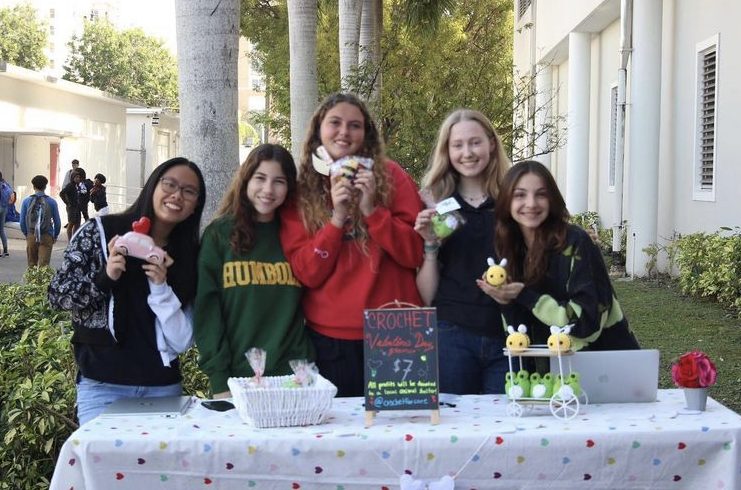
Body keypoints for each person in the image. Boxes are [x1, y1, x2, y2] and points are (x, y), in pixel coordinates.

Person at [280, 93, 424, 397]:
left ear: (366, 133)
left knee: (401, 435)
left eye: (354, 125)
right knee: (338, 439)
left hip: (397, 330)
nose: (344, 132)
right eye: (335, 123)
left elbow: (415, 253)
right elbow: (307, 273)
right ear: (319, 129)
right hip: (331, 338)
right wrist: (338, 219)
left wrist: (373, 211)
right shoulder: (301, 191)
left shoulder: (392, 176)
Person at [47, 157, 206, 425]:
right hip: (102, 388)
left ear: (195, 207)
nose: (177, 195)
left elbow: (182, 340)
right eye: (170, 184)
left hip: (162, 389)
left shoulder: (189, 256)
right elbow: (58, 294)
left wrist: (161, 287)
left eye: (189, 191)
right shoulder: (99, 232)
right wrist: (105, 277)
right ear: (152, 187)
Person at [195, 144, 314, 398]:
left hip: (294, 379)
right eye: (260, 178)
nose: (268, 189)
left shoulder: (300, 236)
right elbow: (206, 312)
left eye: (279, 181)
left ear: (289, 188)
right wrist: (220, 381)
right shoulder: (219, 235)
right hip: (236, 382)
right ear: (246, 179)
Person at [486, 160, 640, 352]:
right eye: (520, 195)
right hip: (546, 370)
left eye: (541, 194)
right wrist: (505, 300)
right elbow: (517, 333)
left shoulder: (576, 242)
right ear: (506, 200)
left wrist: (525, 295)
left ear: (552, 199)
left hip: (605, 364)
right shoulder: (506, 247)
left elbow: (586, 322)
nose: (531, 203)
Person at [413, 109, 513, 395]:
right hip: (450, 335)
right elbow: (426, 296)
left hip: (508, 335)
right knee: (453, 430)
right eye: (457, 145)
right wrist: (430, 245)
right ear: (447, 150)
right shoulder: (433, 202)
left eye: (475, 142)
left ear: (492, 144)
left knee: (505, 433)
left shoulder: (513, 200)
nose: (467, 152)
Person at [19, 175, 62, 267]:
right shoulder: (52, 202)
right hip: (46, 235)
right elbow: (57, 222)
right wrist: (55, 235)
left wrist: (27, 234)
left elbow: (22, 221)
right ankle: (42, 282)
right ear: (45, 187)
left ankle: (32, 281)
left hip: (31, 234)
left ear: (33, 186)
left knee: (32, 265)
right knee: (44, 266)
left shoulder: (26, 201)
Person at [60, 169, 83, 241]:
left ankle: (74, 239)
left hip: (77, 208)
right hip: (71, 208)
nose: (78, 179)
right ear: (72, 178)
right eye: (76, 177)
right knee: (71, 224)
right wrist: (67, 203)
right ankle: (70, 241)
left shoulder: (78, 186)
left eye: (79, 177)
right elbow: (62, 193)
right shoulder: (70, 186)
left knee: (77, 224)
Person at [0, 171, 11, 257]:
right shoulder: (6, 184)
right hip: (4, 208)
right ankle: (5, 250)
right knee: (1, 229)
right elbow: (11, 196)